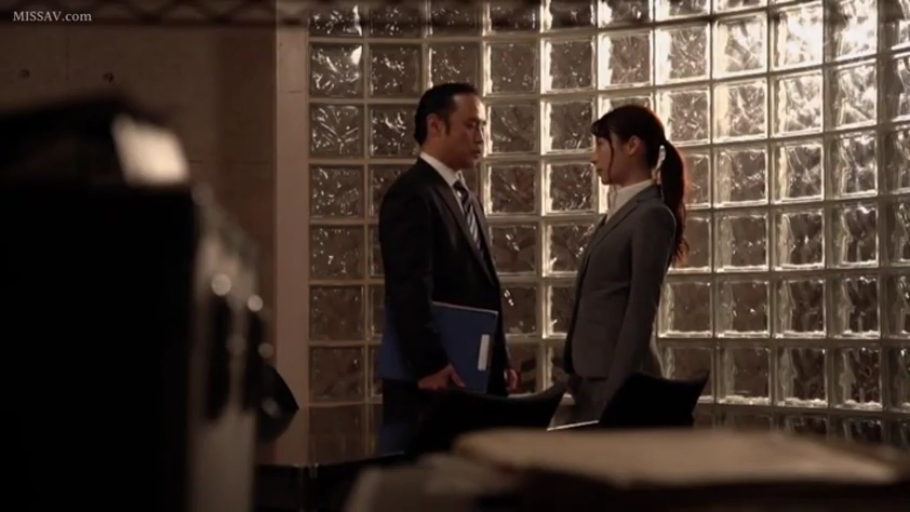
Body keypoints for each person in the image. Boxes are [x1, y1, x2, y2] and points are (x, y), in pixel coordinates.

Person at [377, 82, 519, 453]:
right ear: (435, 126)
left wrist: (500, 358)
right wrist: (429, 364)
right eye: (471, 126)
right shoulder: (412, 194)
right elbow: (408, 288)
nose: (481, 137)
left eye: (483, 126)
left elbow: (485, 284)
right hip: (434, 380)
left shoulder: (465, 196)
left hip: (473, 374)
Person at [562, 104, 689, 423]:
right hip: (590, 379)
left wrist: (616, 392)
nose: (594, 158)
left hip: (618, 382)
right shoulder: (620, 211)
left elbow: (640, 311)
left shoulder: (651, 215)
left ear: (632, 146)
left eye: (601, 145)